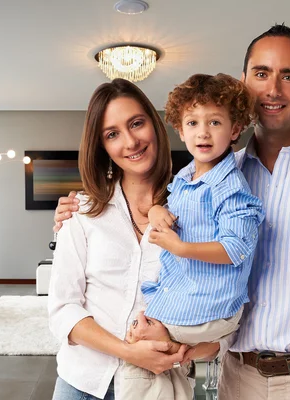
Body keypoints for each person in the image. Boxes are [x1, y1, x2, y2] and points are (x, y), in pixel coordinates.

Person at [54, 24, 290, 400]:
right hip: (238, 379)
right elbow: (206, 287)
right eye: (261, 74)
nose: (272, 89)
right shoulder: (205, 182)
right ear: (244, 83)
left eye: (288, 76)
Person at [120, 73, 264, 400]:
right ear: (180, 130)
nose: (203, 132)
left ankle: (170, 348)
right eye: (193, 122)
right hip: (188, 300)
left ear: (235, 130)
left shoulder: (230, 188)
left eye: (215, 122)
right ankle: (174, 365)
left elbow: (236, 247)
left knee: (137, 351)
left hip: (205, 308)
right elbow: (171, 207)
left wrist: (180, 247)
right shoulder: (186, 175)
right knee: (160, 366)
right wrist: (157, 211)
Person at [47, 78, 192, 400]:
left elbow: (209, 297)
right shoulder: (81, 211)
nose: (130, 142)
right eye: (112, 134)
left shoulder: (194, 211)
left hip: (157, 387)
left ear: (154, 125)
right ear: (103, 147)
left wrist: (183, 350)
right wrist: (130, 352)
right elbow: (63, 309)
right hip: (82, 384)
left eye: (137, 123)